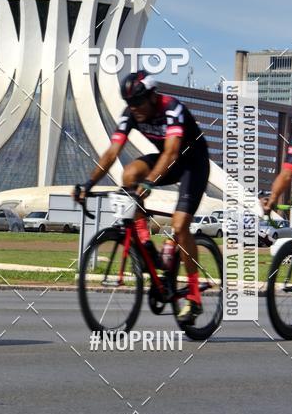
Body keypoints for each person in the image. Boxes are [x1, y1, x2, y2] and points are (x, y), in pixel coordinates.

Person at [76, 71, 210, 325]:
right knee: (129, 174)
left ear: (152, 96)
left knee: (180, 225)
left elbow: (171, 152)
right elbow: (112, 152)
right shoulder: (130, 113)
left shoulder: (172, 108)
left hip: (192, 164)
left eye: (138, 102)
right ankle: (144, 241)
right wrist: (88, 183)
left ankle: (194, 295)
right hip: (167, 162)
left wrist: (149, 182)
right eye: (130, 103)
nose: (134, 108)